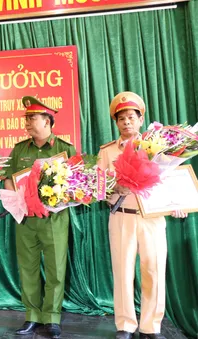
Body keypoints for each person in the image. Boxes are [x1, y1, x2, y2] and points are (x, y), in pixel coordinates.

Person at [97, 92, 187, 339]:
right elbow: (97, 186)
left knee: (154, 271)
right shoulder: (106, 152)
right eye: (121, 118)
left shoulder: (157, 147)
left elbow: (169, 179)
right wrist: (115, 186)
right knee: (123, 272)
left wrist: (177, 204)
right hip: (121, 216)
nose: (126, 122)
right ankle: (125, 325)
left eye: (131, 117)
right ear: (116, 123)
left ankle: (151, 326)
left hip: (153, 218)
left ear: (140, 119)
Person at [4, 96, 76, 338]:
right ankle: (32, 316)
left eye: (32, 118)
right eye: (26, 118)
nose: (27, 122)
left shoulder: (65, 149)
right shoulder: (19, 149)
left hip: (54, 220)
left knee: (56, 268)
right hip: (26, 219)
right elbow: (8, 178)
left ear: (48, 121)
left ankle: (52, 318)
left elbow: (76, 184)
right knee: (28, 268)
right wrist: (15, 200)